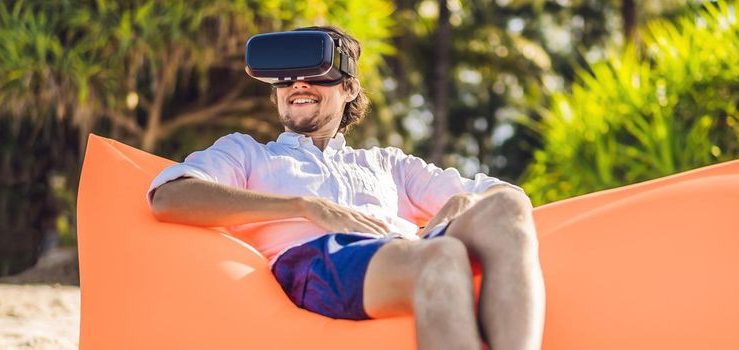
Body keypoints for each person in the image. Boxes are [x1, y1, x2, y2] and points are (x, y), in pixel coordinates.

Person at [147, 25, 544, 350]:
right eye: (286, 78)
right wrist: (305, 206)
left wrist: (463, 201)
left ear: (349, 88)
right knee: (442, 256)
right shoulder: (247, 153)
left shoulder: (388, 163)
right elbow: (170, 197)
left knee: (506, 206)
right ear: (275, 91)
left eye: (315, 74)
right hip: (317, 262)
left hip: (404, 249)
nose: (298, 85)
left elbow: (502, 192)